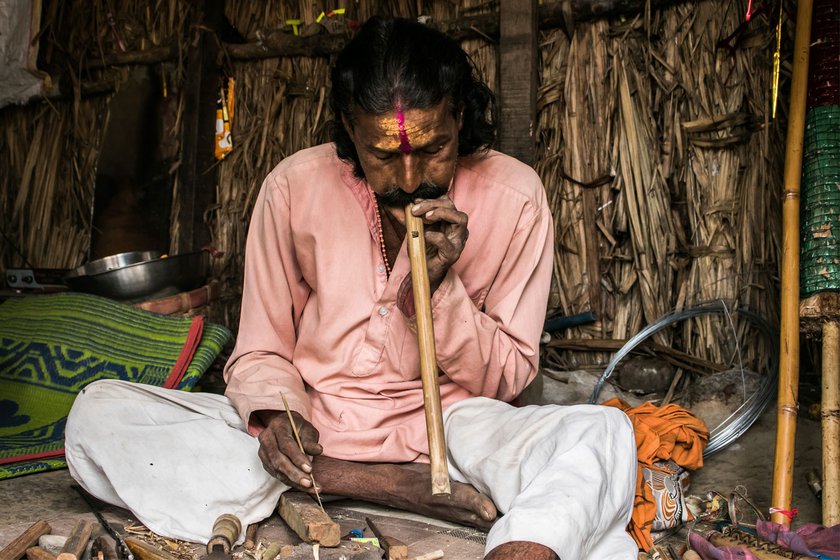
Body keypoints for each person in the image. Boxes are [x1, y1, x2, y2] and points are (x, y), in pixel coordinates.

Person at [65, 16, 637, 560]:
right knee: (96, 414)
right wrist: (278, 418)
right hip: (317, 426)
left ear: (459, 115)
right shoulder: (293, 188)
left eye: (434, 147)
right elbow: (260, 350)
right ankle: (377, 485)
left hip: (457, 435)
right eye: (384, 154)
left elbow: (513, 374)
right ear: (348, 126)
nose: (411, 180)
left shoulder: (516, 198)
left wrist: (437, 293)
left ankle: (513, 543)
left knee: (603, 433)